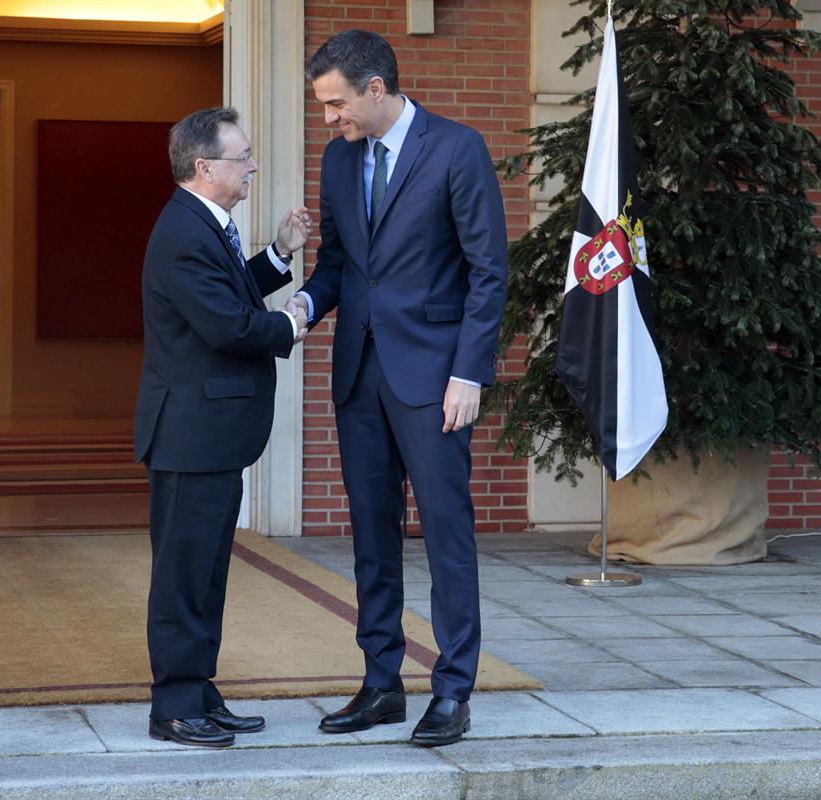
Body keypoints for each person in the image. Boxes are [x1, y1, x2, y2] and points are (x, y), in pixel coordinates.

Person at [290, 29, 508, 748]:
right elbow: (340, 265)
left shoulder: (457, 148)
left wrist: (468, 373)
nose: (329, 119)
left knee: (447, 535)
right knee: (371, 539)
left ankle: (453, 690)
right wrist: (300, 311)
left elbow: (488, 274)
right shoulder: (337, 159)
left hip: (437, 380)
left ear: (375, 89)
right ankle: (381, 683)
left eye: (335, 104)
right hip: (359, 374)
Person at [133, 106, 311, 748]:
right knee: (183, 578)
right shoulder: (185, 231)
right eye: (244, 157)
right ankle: (174, 707)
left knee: (205, 574)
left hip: (208, 434)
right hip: (190, 434)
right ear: (205, 167)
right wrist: (292, 322)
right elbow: (229, 326)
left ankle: (199, 694)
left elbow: (228, 291)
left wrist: (278, 254)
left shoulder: (205, 225)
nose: (254, 166)